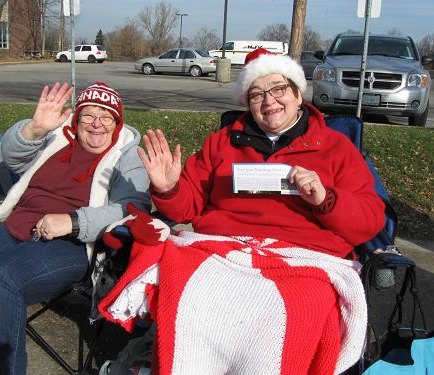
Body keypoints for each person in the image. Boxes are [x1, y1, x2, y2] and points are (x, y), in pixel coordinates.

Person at [98, 49, 386, 375]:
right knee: (186, 290)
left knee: (299, 308)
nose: (269, 102)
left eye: (278, 89)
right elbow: (187, 205)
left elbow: (369, 221)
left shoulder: (335, 148)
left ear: (297, 93)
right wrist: (168, 189)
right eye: (257, 94)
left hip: (304, 257)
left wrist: (325, 198)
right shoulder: (223, 143)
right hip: (221, 248)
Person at [0, 81, 151, 375]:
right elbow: (12, 159)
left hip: (72, 244)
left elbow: (132, 207)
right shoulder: (60, 137)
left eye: (106, 116)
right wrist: (34, 130)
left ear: (117, 121)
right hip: (15, 225)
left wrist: (74, 221)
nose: (97, 124)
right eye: (88, 115)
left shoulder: (127, 153)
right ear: (77, 118)